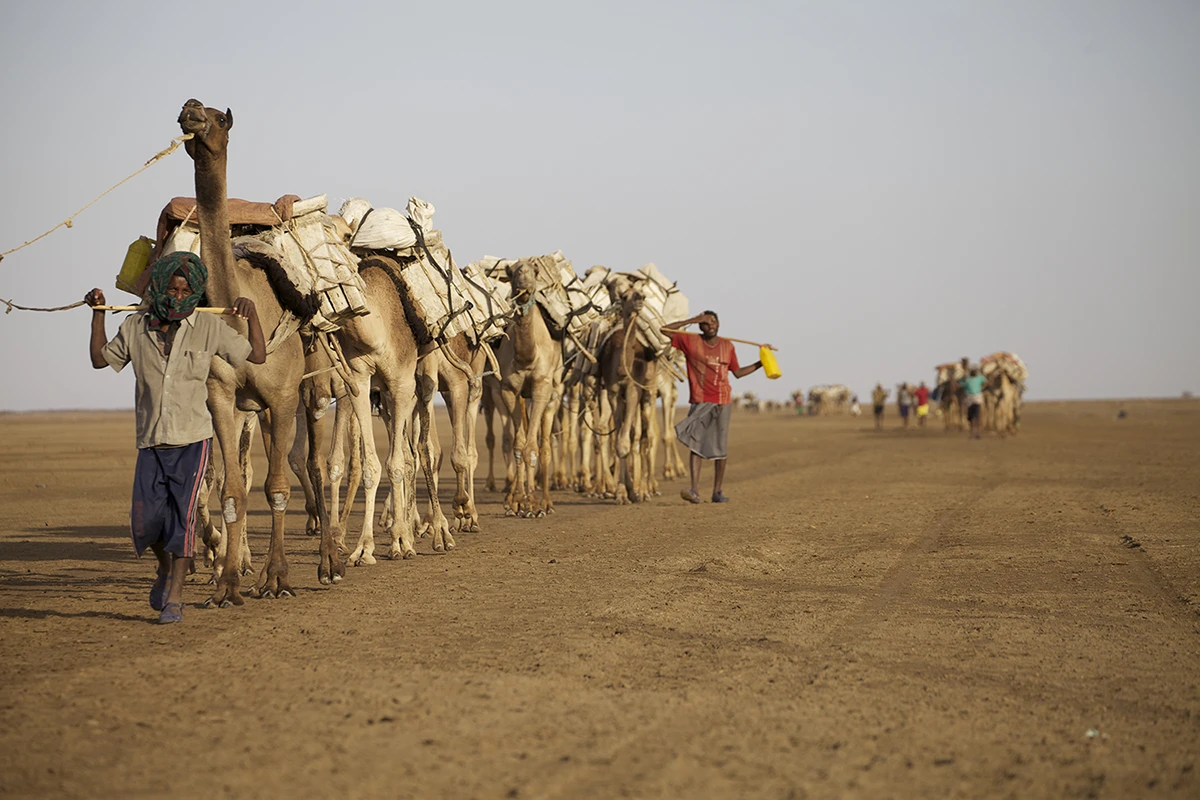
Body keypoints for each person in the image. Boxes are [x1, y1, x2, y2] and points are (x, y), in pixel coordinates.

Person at [85, 252, 265, 623]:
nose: (178, 296)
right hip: (150, 441)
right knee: (146, 524)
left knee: (184, 522)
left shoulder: (208, 328)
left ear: (195, 293)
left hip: (192, 442)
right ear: (160, 288)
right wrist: (98, 314)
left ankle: (175, 599)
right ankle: (165, 570)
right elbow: (101, 361)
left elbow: (257, 356)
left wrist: (252, 315)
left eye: (186, 290)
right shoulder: (135, 327)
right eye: (172, 288)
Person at [662, 310, 770, 504]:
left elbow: (737, 373)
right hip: (700, 400)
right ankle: (694, 491)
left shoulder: (727, 346)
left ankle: (717, 492)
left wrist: (762, 362)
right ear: (700, 327)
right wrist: (693, 319)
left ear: (719, 324)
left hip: (723, 401)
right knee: (696, 444)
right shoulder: (690, 342)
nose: (710, 324)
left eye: (713, 321)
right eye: (705, 323)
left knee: (720, 447)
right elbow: (664, 329)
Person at [959, 367, 987, 440]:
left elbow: (987, 381)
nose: (974, 372)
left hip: (976, 399)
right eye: (973, 371)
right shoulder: (967, 379)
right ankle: (972, 434)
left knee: (977, 417)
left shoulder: (980, 378)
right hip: (969, 399)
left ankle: (978, 433)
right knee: (971, 418)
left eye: (975, 371)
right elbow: (960, 384)